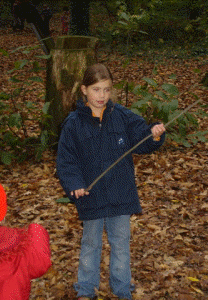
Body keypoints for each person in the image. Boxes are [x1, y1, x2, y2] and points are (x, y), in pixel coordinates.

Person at [56, 63, 166, 300]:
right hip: (91, 196)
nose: (102, 96)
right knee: (91, 243)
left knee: (120, 243)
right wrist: (74, 184)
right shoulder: (73, 123)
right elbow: (66, 160)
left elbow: (143, 139)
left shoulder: (123, 117)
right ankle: (86, 288)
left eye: (106, 90)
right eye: (96, 90)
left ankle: (122, 288)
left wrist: (154, 134)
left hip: (120, 194)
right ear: (84, 89)